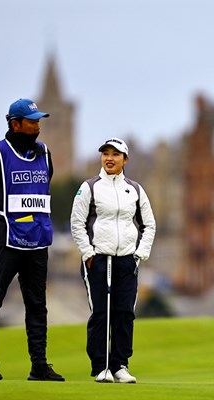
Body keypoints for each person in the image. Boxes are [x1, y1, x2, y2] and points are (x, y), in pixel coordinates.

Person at [0, 98, 64, 381]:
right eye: (32, 121)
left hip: (37, 241)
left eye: (38, 121)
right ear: (15, 124)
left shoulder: (45, 154)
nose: (37, 126)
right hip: (6, 242)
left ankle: (39, 365)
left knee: (37, 304)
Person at [70, 137, 156, 384]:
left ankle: (120, 365)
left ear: (125, 159)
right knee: (101, 313)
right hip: (97, 259)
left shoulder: (135, 190)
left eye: (115, 154)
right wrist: (88, 253)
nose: (109, 158)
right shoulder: (89, 187)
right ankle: (101, 367)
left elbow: (149, 224)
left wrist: (140, 254)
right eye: (105, 154)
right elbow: (76, 222)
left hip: (127, 260)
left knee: (124, 313)